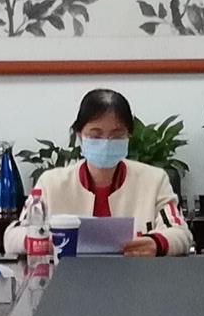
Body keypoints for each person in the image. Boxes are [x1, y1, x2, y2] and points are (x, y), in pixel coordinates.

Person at [34, 88, 193, 255]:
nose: (106, 143)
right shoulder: (51, 183)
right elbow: (18, 232)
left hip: (135, 270)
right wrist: (44, 241)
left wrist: (157, 243)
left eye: (117, 136)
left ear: (128, 136)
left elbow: (180, 232)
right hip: (67, 270)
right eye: (96, 136)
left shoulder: (154, 180)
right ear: (80, 136)